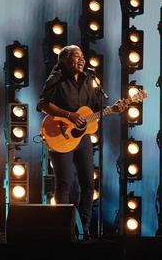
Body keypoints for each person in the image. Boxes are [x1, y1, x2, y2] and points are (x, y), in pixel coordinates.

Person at [37, 45, 126, 239]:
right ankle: (62, 229)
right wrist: (69, 115)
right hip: (59, 134)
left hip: (82, 138)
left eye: (82, 57)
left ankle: (83, 229)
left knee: (88, 184)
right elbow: (42, 104)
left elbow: (94, 109)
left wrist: (113, 109)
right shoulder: (57, 77)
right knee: (64, 184)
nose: (81, 60)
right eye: (76, 56)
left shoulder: (88, 80)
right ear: (64, 60)